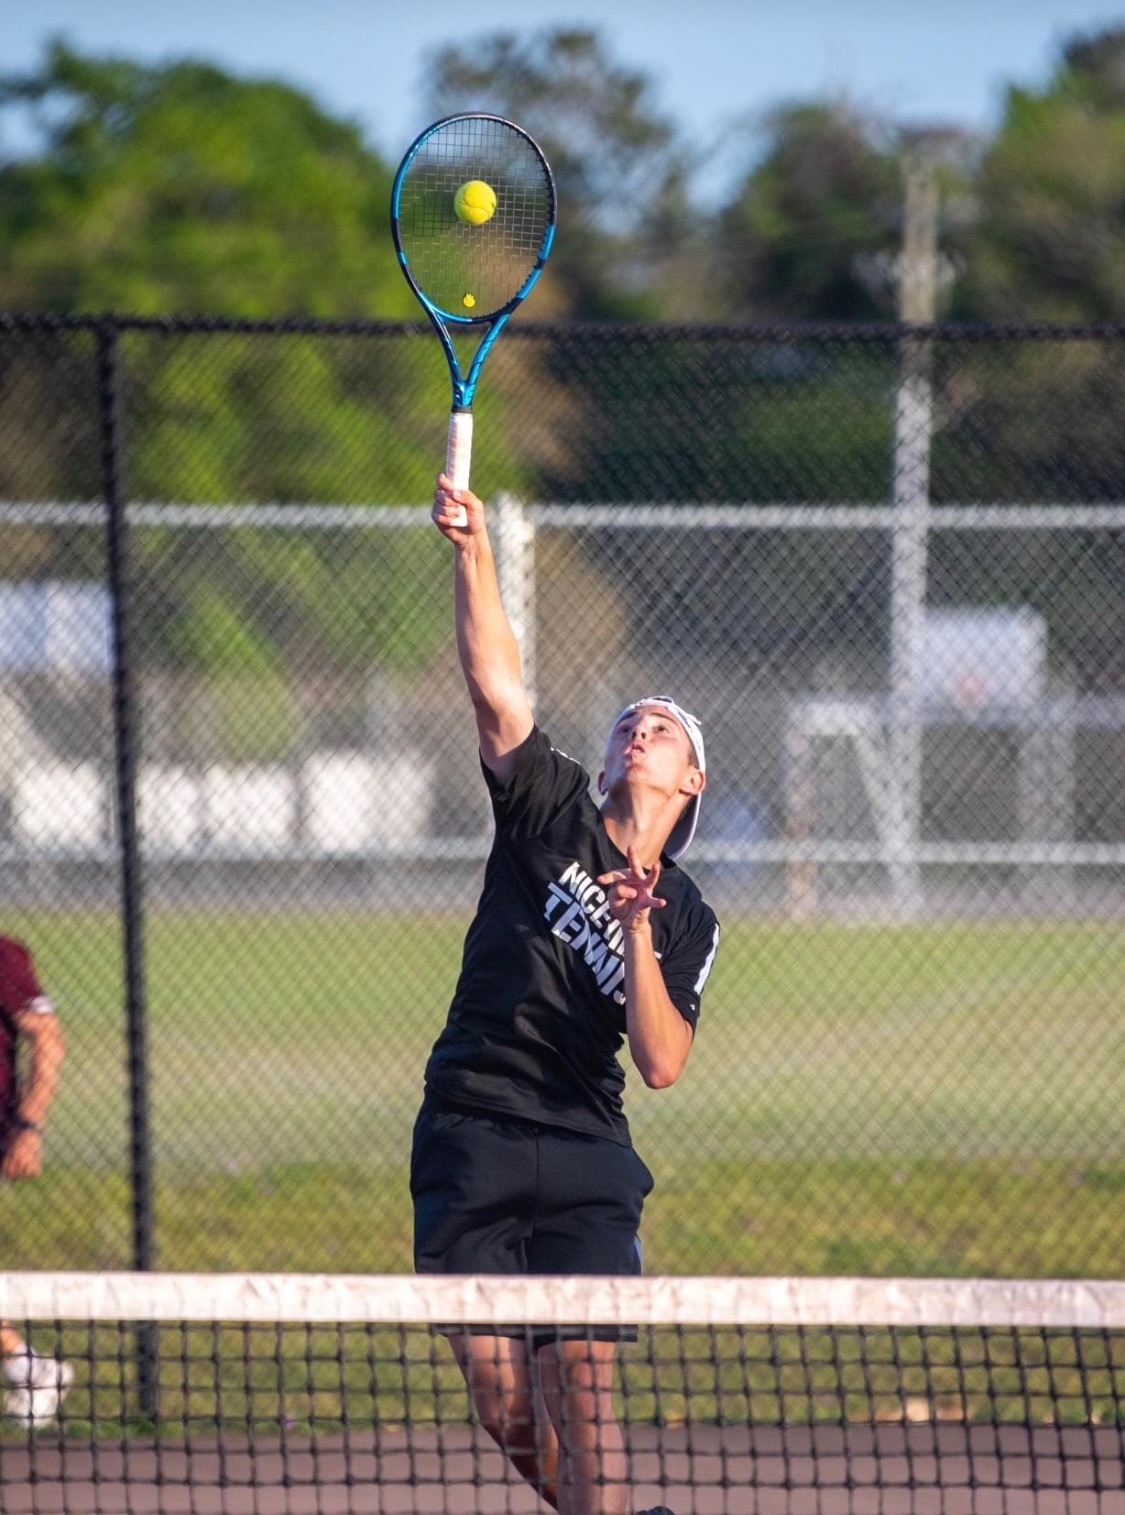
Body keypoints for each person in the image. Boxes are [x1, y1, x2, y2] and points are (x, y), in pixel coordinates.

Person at [410, 475, 721, 1515]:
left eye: (664, 731)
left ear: (690, 784)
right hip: (470, 1127)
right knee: (506, 1406)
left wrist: (634, 929)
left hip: (586, 1148)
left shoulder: (688, 916)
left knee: (579, 1383)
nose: (640, 731)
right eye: (630, 722)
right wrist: (475, 549)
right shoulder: (545, 807)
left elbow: (664, 1063)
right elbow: (498, 691)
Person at [0, 934, 73, 1426]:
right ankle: (27, 1366)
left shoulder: (4, 957)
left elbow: (48, 1036)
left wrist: (29, 1127)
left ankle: (28, 1366)